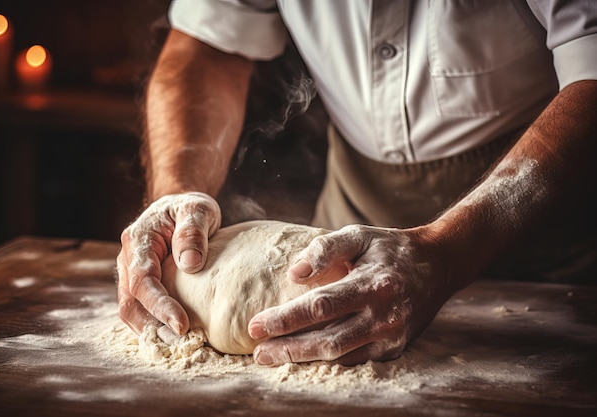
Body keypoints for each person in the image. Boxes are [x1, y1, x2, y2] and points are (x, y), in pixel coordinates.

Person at [116, 1, 597, 366]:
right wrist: (177, 194)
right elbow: (208, 45)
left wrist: (446, 252)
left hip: (541, 220)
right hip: (349, 207)